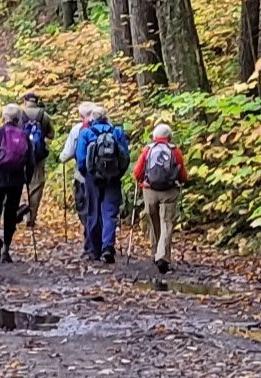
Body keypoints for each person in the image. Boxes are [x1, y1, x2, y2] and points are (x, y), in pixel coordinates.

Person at [0, 103, 35, 263]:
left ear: (4, 118)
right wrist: (27, 179)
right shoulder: (24, 135)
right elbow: (30, 162)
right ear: (18, 119)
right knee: (10, 214)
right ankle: (6, 249)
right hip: (16, 181)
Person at [75, 106, 130, 263]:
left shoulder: (86, 133)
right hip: (113, 178)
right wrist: (118, 173)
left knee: (93, 212)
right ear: (107, 117)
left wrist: (87, 174)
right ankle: (108, 247)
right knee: (110, 213)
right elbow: (125, 156)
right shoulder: (117, 132)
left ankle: (95, 250)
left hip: (92, 178)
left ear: (92, 119)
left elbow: (81, 159)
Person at [133, 123, 188, 274]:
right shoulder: (175, 151)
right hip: (169, 191)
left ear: (155, 137)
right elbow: (182, 174)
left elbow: (137, 172)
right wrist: (181, 182)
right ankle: (162, 256)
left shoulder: (148, 150)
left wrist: (140, 181)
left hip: (150, 190)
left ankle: (155, 251)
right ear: (169, 137)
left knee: (153, 219)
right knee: (166, 222)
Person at [17, 91, 55, 228]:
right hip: (38, 155)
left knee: (16, 181)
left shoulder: (19, 114)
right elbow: (51, 135)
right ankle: (31, 217)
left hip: (19, 154)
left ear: (25, 101)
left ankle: (21, 205)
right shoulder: (44, 116)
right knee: (36, 185)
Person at [59, 101, 96, 233]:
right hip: (105, 177)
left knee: (84, 207)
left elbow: (67, 154)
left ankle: (89, 239)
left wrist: (62, 158)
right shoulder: (108, 127)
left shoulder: (78, 129)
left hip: (83, 176)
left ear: (81, 115)